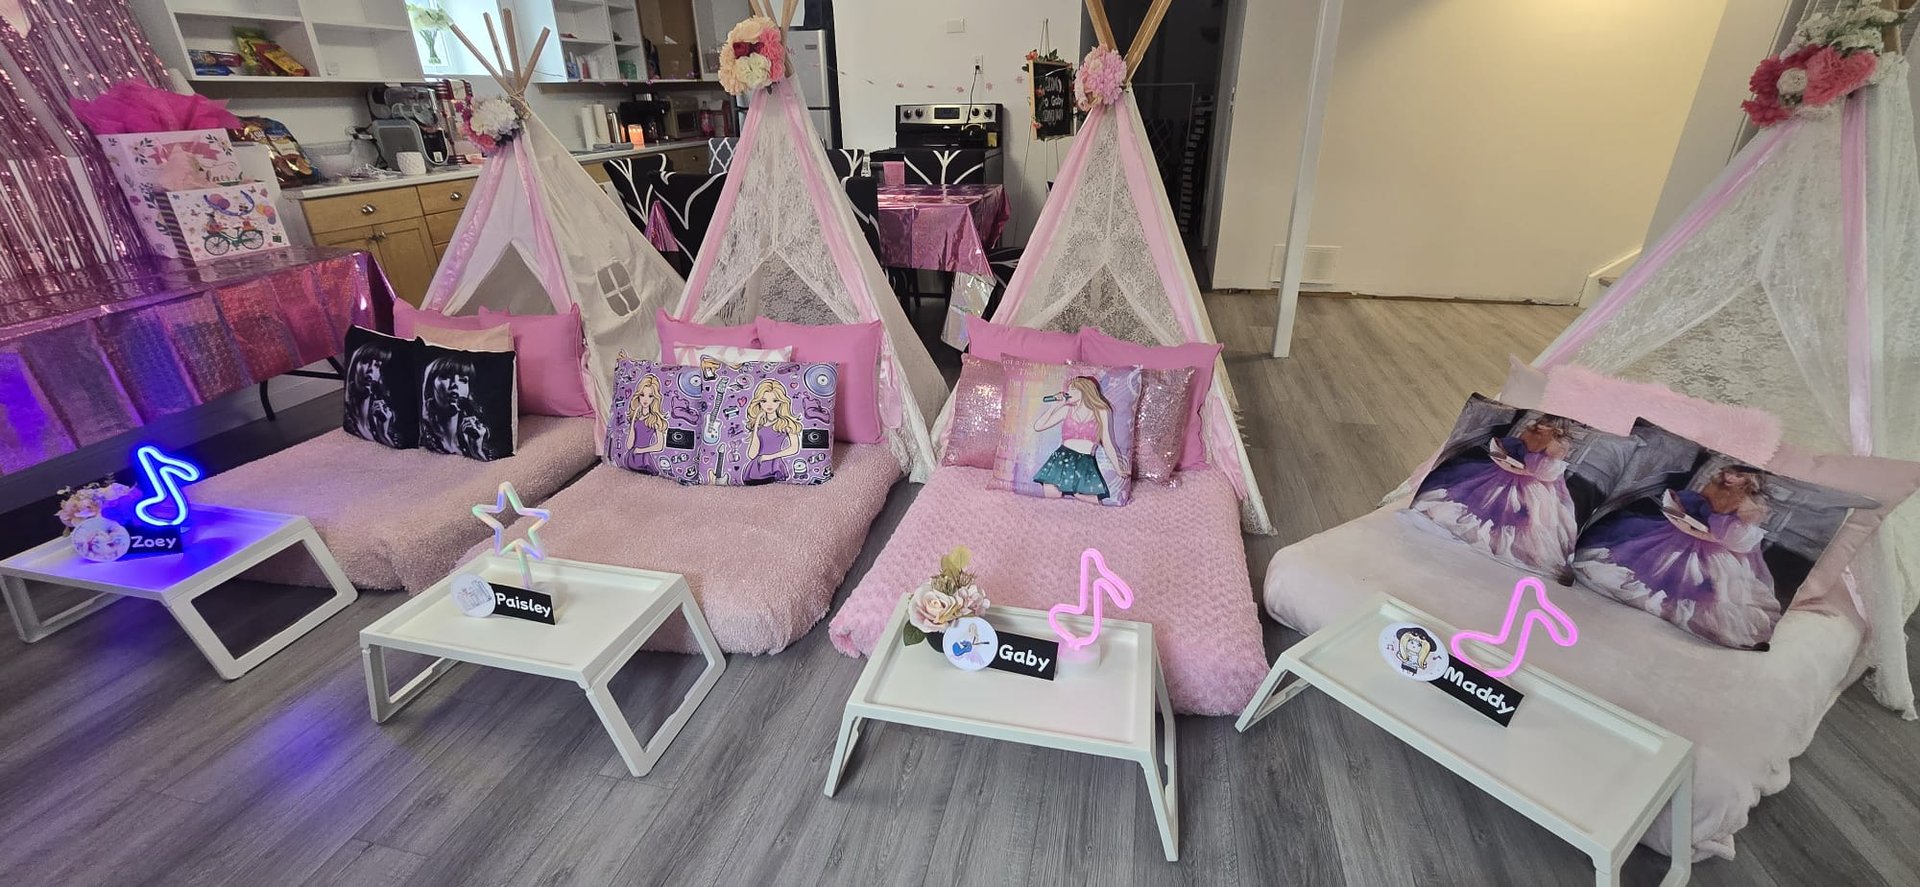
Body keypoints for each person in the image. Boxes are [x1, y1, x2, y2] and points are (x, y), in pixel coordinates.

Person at [1572, 465, 1780, 647]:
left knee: (1695, 582)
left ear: (1751, 478)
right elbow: (1695, 505)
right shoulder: (1716, 485)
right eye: (1728, 471)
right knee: (1632, 549)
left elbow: (1732, 539)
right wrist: (1678, 510)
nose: (1729, 477)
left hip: (1712, 548)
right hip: (1679, 532)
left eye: (1737, 475)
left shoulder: (1751, 505)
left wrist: (1692, 530)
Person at [1412, 415, 1578, 576]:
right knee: (1480, 494)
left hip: (1524, 481)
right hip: (1508, 473)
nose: (1541, 425)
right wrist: (1509, 461)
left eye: (1545, 423)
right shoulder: (1548, 439)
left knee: (1523, 511)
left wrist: (1518, 467)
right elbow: (1539, 467)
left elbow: (1544, 472)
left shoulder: (1547, 438)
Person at [1030, 376, 1119, 503]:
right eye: (1069, 389)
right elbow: (1038, 426)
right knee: (1051, 498)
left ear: (1085, 391)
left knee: (1090, 500)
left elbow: (1107, 443)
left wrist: (1118, 468)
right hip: (1061, 459)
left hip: (1085, 461)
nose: (1068, 393)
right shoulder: (1067, 409)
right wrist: (1056, 405)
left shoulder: (1101, 411)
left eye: (1073, 390)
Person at [420, 354, 492, 459]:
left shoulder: (476, 435)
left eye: (463, 380)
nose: (455, 384)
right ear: (430, 386)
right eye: (445, 377)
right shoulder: (422, 435)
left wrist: (477, 450)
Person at [343, 340, 405, 448]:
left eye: (377, 365)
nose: (370, 370)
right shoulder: (349, 412)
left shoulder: (384, 412)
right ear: (354, 365)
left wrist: (384, 428)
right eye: (365, 361)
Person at [742, 379, 802, 485]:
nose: (769, 405)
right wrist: (756, 423)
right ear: (759, 402)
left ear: (781, 402)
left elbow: (794, 448)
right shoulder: (759, 425)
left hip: (774, 465)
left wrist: (769, 457)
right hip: (756, 466)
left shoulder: (784, 423)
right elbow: (751, 454)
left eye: (775, 400)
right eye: (764, 401)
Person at [622, 373, 669, 471]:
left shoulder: (654, 419)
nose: (645, 399)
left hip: (644, 458)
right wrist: (633, 419)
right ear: (638, 396)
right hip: (631, 456)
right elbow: (629, 445)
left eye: (650, 396)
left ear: (654, 398)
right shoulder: (636, 418)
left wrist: (642, 450)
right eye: (642, 395)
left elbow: (659, 446)